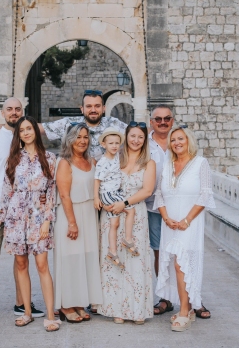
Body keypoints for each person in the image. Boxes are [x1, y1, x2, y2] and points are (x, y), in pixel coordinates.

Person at [0, 98, 44, 324]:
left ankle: (21, 304)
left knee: (21, 258)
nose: (14, 113)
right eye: (9, 109)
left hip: (23, 210)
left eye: (17, 109)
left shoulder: (27, 134)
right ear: (2, 112)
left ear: (22, 112)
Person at [0, 116, 61, 331]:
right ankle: (27, 312)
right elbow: (7, 191)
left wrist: (47, 221)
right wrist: (1, 219)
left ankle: (50, 316)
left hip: (38, 217)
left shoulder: (49, 158)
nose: (26, 132)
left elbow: (51, 192)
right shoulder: (13, 159)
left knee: (42, 264)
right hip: (16, 218)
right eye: (22, 130)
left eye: (29, 128)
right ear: (19, 134)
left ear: (35, 131)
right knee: (21, 265)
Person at [153, 125, 216, 332]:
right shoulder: (168, 164)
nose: (177, 143)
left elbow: (205, 195)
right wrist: (166, 217)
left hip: (190, 223)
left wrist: (187, 220)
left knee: (183, 264)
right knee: (174, 264)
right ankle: (186, 309)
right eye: (173, 140)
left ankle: (184, 311)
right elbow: (159, 195)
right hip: (169, 222)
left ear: (189, 141)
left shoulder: (200, 163)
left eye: (180, 139)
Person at [97, 121, 156, 324]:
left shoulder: (149, 162)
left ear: (145, 139)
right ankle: (116, 309)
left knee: (134, 261)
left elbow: (147, 190)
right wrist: (104, 201)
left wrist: (125, 202)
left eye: (140, 137)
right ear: (126, 137)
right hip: (112, 211)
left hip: (135, 213)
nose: (136, 140)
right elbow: (101, 180)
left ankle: (137, 309)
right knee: (114, 260)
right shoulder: (114, 158)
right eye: (132, 136)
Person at [0, 90, 127, 161]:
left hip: (108, 184)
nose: (93, 110)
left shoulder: (114, 123)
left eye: (97, 106)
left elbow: (139, 133)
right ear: (82, 109)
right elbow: (36, 128)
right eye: (89, 106)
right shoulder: (69, 124)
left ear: (103, 108)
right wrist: (6, 125)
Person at [54, 123, 103, 323]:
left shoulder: (92, 161)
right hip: (71, 214)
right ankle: (66, 305)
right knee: (70, 258)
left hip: (89, 213)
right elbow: (64, 195)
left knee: (86, 257)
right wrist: (72, 223)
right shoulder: (64, 163)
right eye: (78, 137)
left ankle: (80, 302)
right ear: (70, 140)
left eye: (85, 137)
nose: (82, 141)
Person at [94, 127, 138, 270]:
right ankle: (128, 239)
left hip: (113, 191)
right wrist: (96, 198)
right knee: (130, 211)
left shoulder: (117, 158)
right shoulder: (103, 161)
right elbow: (97, 180)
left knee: (115, 223)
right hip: (109, 193)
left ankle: (112, 252)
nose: (114, 146)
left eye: (117, 143)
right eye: (111, 143)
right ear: (103, 145)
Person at [146, 105, 174, 315]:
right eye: (158, 119)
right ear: (151, 121)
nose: (163, 122)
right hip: (152, 206)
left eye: (167, 118)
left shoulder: (179, 140)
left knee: (181, 252)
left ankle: (190, 297)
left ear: (172, 120)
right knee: (158, 251)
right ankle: (165, 298)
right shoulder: (144, 144)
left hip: (177, 206)